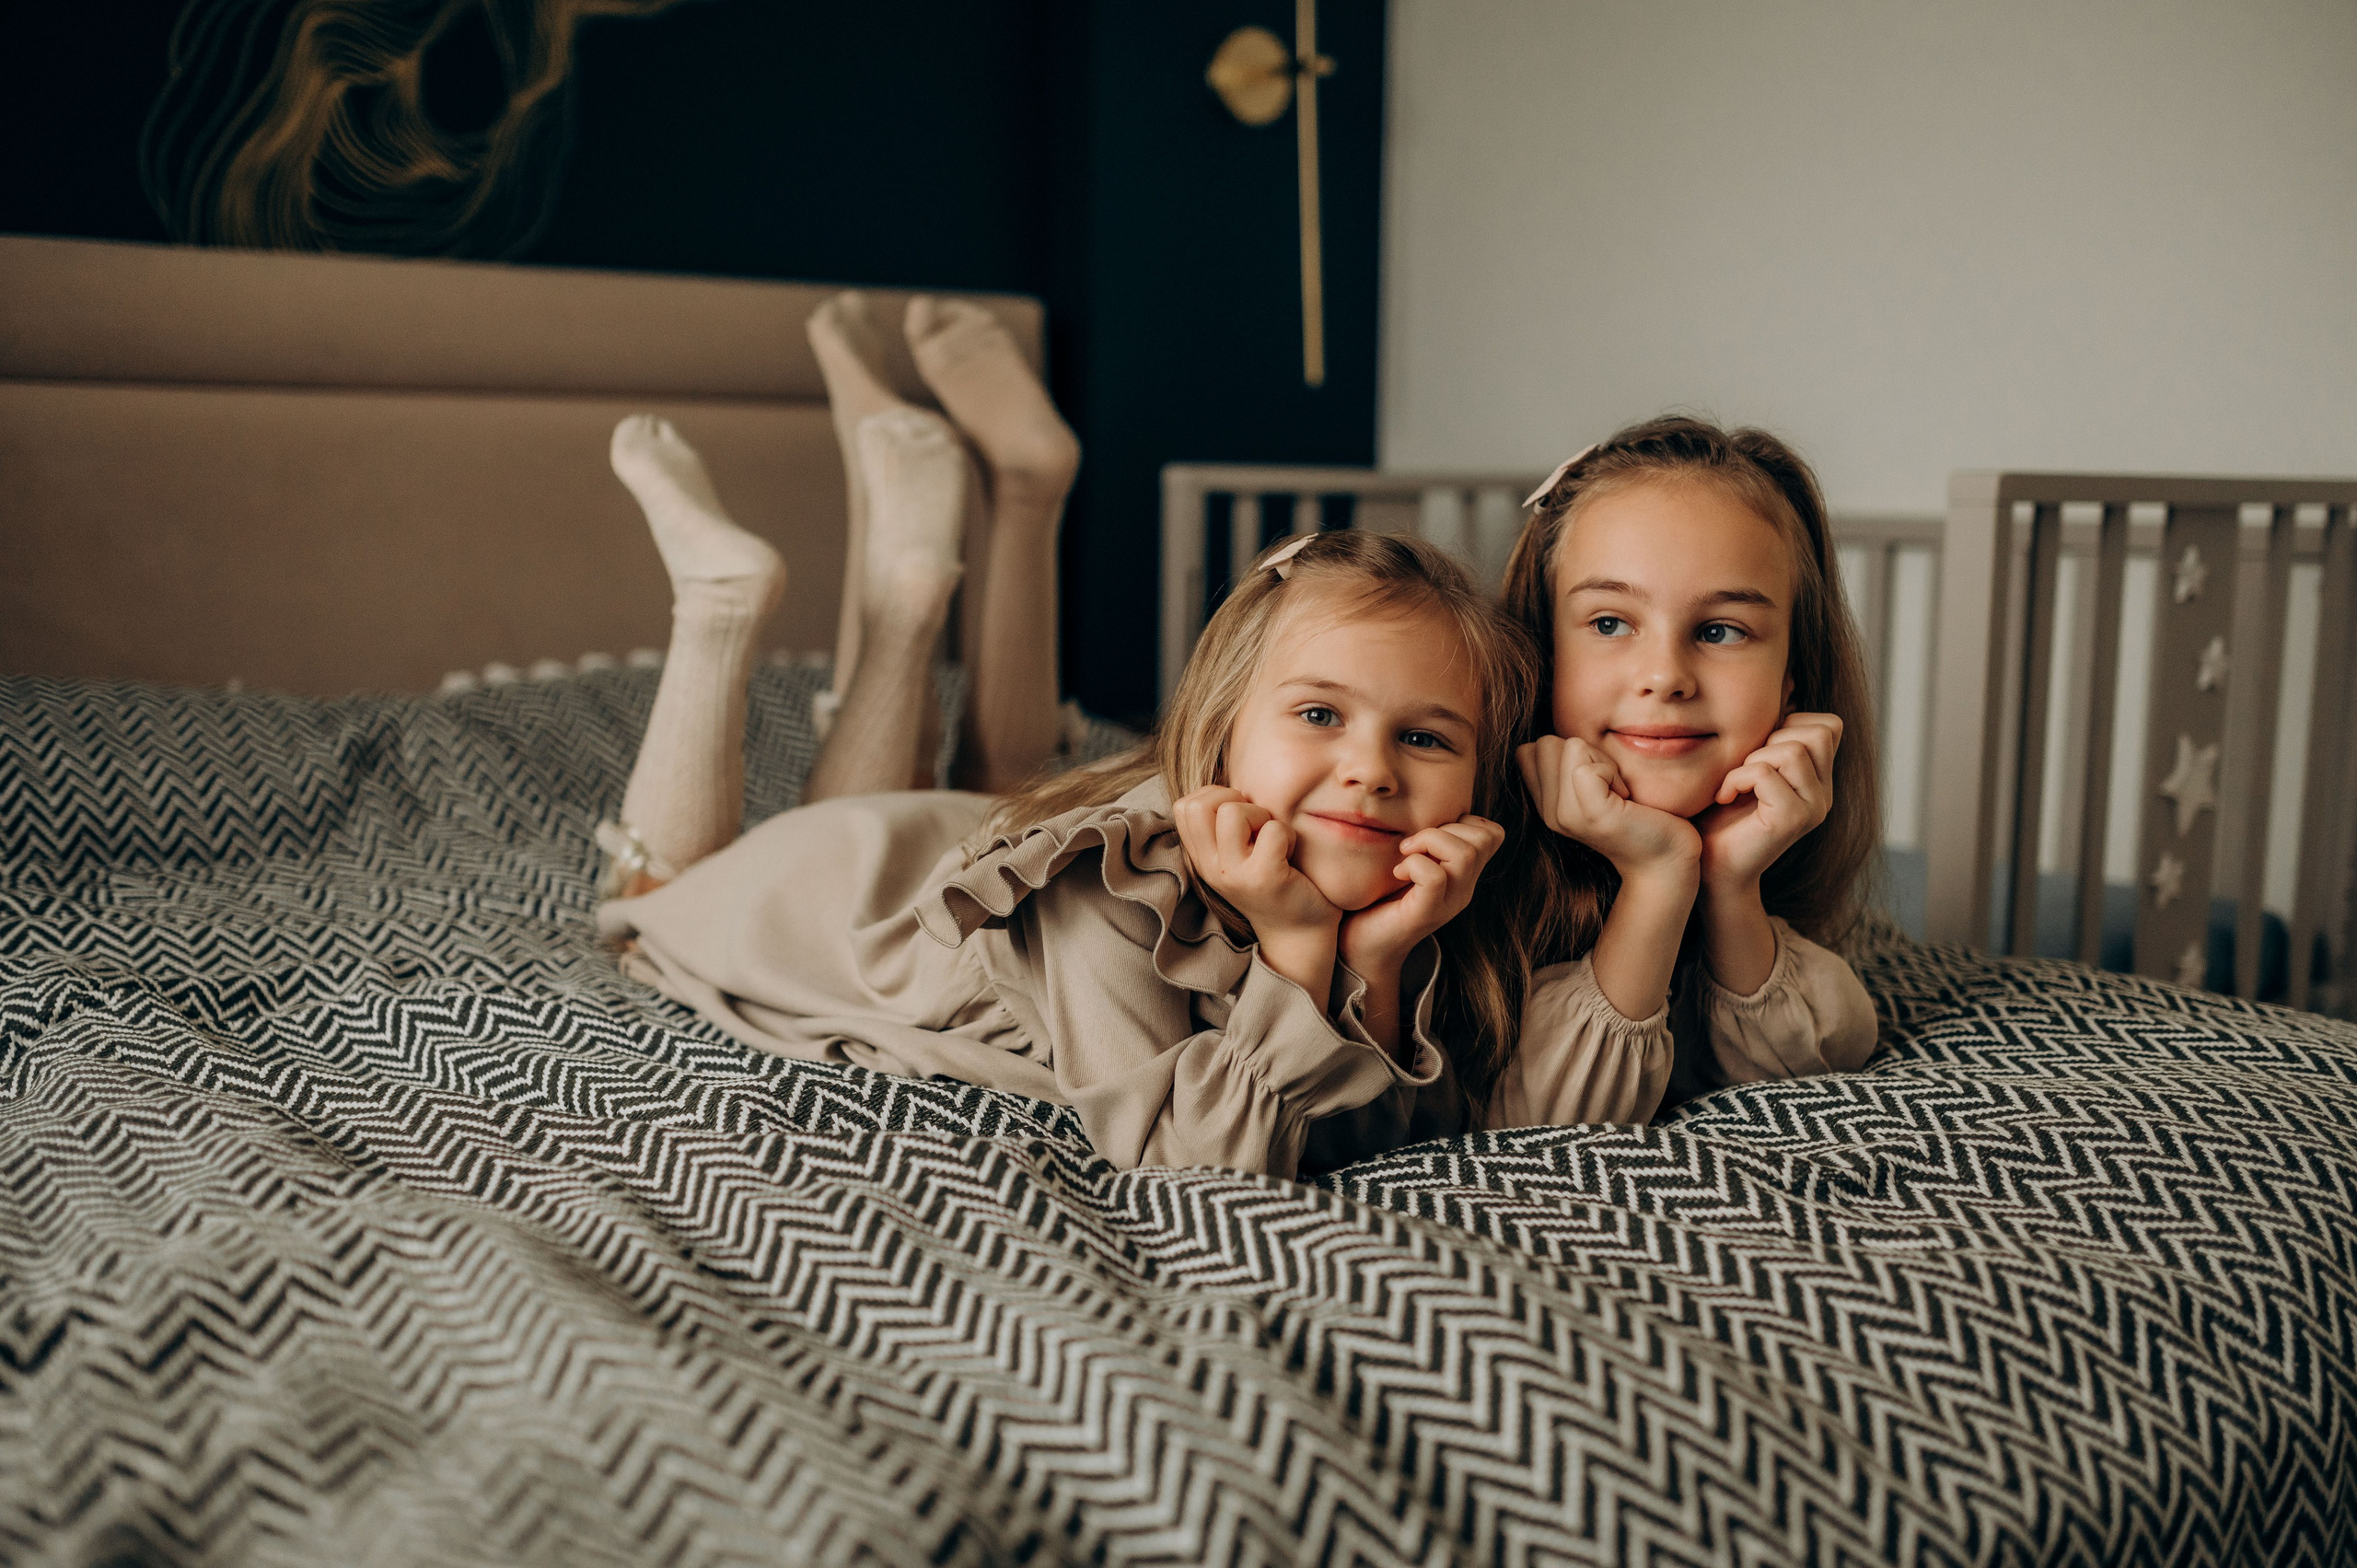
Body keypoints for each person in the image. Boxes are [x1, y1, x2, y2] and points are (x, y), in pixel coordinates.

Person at [591, 308, 1550, 1176]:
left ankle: (939, 557)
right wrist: (1302, 944)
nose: (1370, 770)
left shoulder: (1420, 899)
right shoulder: (1113, 891)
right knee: (646, 895)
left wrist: (1377, 955)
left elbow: (1379, 1130)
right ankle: (721, 607)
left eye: (1424, 737)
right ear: (1216, 729)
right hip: (825, 893)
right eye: (1318, 714)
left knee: (1011, 777)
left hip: (956, 832)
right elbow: (1199, 1167)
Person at [1489, 415, 1882, 1126]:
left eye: (1719, 630)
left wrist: (1728, 881)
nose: (1666, 676)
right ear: (1542, 655)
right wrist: (1657, 877)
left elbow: (1816, 1067)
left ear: (1791, 682)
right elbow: (1549, 1124)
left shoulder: (1756, 871)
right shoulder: (1463, 865)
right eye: (1610, 623)